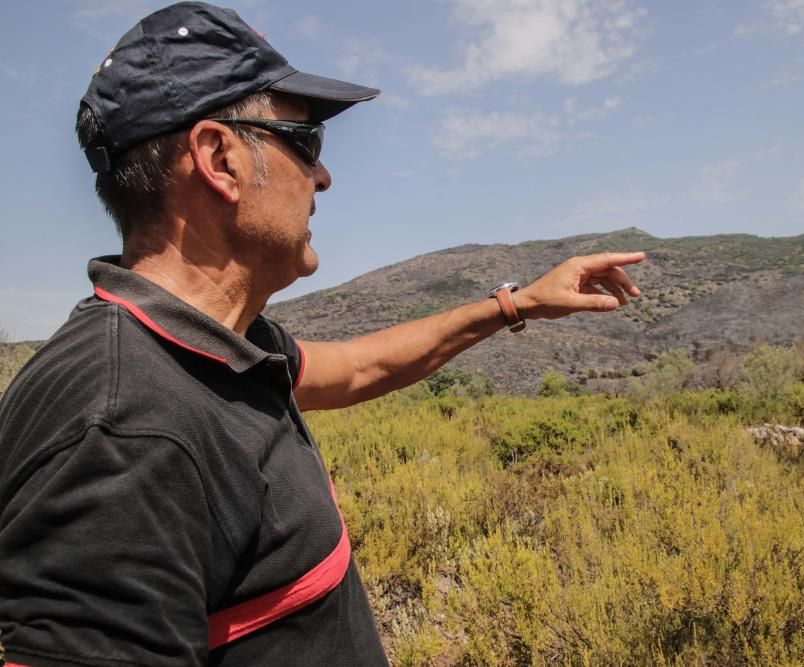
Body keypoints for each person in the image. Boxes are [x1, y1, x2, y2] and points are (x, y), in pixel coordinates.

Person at [0, 2, 644, 665]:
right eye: (304, 141)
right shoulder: (123, 434)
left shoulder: (220, 349)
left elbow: (356, 368)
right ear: (219, 158)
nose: (324, 177)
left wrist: (518, 304)